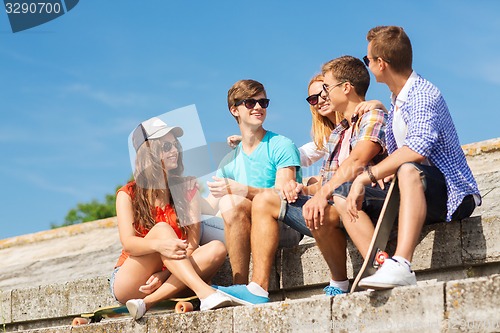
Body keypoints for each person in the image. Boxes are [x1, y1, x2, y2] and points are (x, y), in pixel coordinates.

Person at [216, 56, 388, 304]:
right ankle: (257, 289)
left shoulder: (371, 115)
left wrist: (378, 105)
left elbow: (356, 161)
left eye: (326, 90)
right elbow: (319, 167)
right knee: (263, 201)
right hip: (336, 201)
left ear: (345, 88)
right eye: (314, 98)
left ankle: (374, 269)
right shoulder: (334, 135)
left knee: (269, 199)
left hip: (362, 199)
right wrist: (307, 187)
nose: (322, 99)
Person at [335, 26, 481, 290]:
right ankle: (382, 264)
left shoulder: (424, 94)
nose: (366, 63)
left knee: (407, 169)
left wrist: (367, 177)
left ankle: (402, 264)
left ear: (381, 64)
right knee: (343, 193)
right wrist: (381, 107)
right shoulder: (398, 99)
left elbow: (416, 149)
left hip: (452, 193)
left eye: (368, 59)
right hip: (414, 190)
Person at [110, 116, 232, 320]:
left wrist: (165, 274)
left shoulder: (187, 186)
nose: (174, 150)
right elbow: (129, 244)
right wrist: (159, 246)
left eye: (175, 145)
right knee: (162, 230)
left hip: (171, 280)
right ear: (148, 153)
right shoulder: (127, 194)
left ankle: (146, 303)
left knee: (217, 248)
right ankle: (205, 293)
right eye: (166, 146)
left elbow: (192, 244)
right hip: (133, 280)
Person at [204, 79, 303, 286]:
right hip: (243, 227)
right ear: (235, 110)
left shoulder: (281, 145)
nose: (258, 107)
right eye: (250, 103)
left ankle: (238, 286)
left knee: (231, 202)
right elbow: (208, 207)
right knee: (189, 221)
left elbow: (283, 197)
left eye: (263, 103)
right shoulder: (229, 160)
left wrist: (243, 190)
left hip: (283, 225)